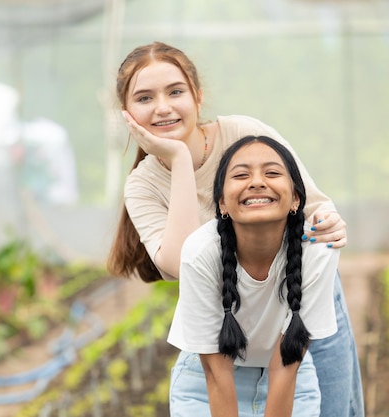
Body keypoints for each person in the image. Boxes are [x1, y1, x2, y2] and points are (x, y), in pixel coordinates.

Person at [106, 41, 364, 416]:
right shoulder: (142, 184)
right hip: (227, 318)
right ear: (127, 113)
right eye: (145, 98)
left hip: (297, 302)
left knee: (333, 408)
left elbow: (311, 208)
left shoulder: (243, 134)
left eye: (175, 91)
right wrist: (178, 160)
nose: (162, 107)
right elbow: (182, 264)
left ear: (197, 96)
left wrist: (329, 224)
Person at [168, 135, 337, 417]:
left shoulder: (318, 250)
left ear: (295, 198)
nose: (257, 182)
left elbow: (286, 363)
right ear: (222, 203)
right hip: (206, 381)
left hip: (289, 378)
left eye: (272, 173)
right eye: (241, 175)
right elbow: (216, 371)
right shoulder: (200, 252)